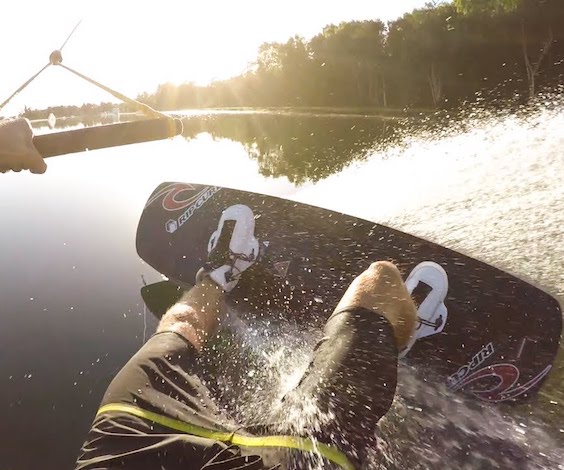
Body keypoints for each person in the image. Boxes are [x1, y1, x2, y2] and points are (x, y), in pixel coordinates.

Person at [1, 117, 418, 469]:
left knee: (180, 325)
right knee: (380, 281)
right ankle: (392, 339)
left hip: (128, 447)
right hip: (289, 459)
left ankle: (221, 275)